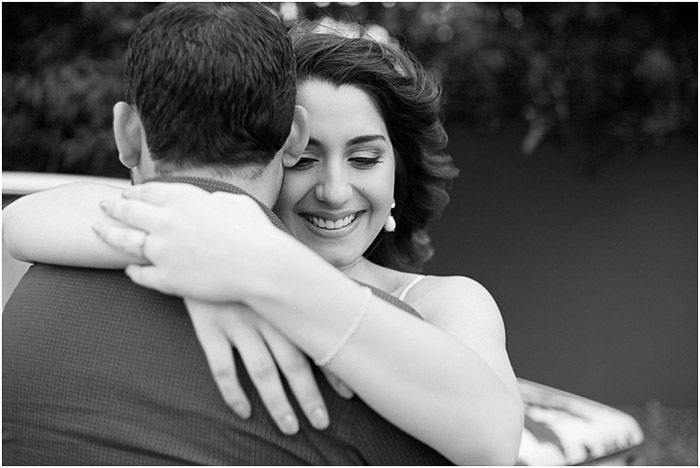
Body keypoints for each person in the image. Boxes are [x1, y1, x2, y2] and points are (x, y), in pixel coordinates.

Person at [3, 19, 524, 465]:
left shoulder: (447, 303)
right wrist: (214, 254)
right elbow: (25, 219)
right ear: (278, 146)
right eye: (304, 159)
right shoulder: (190, 243)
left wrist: (260, 270)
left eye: (364, 159)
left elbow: (494, 441)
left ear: (398, 175)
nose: (336, 191)